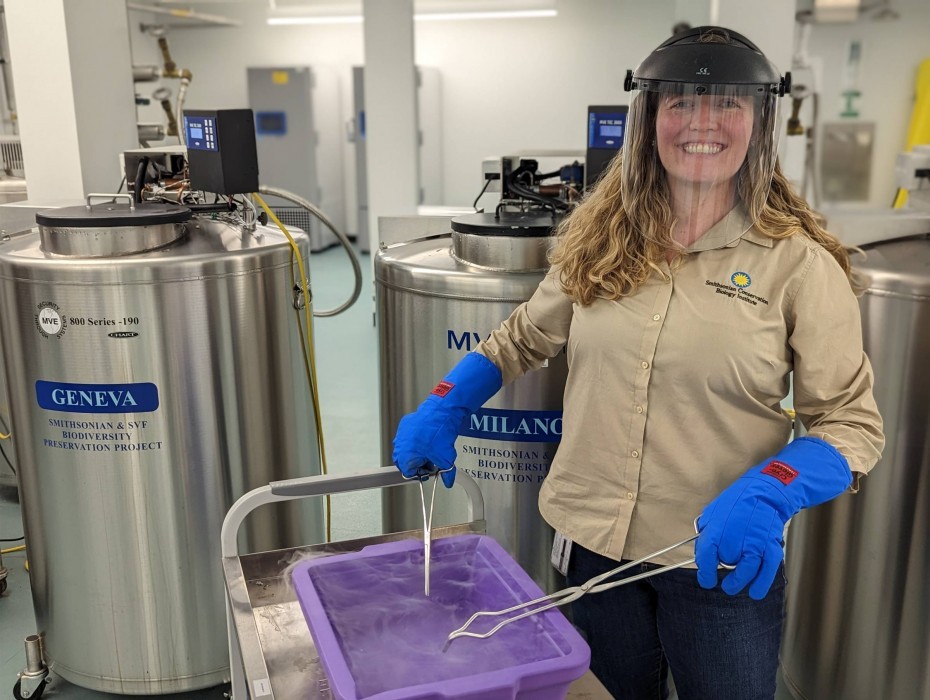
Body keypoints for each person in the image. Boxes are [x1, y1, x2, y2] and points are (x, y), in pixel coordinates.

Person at [392, 26, 884, 700]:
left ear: (762, 120)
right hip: (587, 542)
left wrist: (772, 488)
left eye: (728, 104)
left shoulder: (798, 264)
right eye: (679, 102)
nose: (702, 122)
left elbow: (852, 424)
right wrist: (446, 400)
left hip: (716, 559)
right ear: (647, 117)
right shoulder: (600, 235)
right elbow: (519, 340)